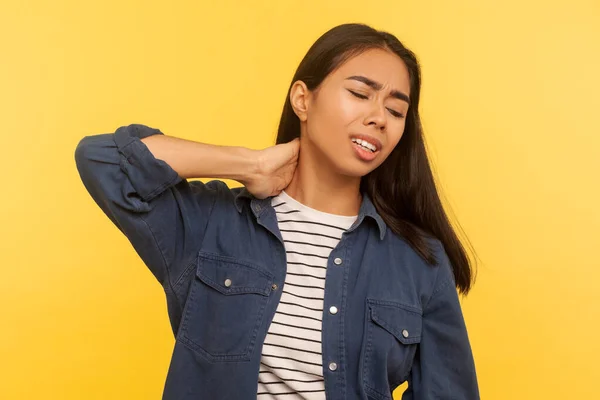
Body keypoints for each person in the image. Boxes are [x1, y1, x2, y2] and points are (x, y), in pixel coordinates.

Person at [75, 23, 479, 400]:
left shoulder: (419, 262)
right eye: (360, 94)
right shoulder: (214, 224)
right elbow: (103, 159)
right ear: (303, 99)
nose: (378, 118)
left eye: (395, 111)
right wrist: (249, 165)